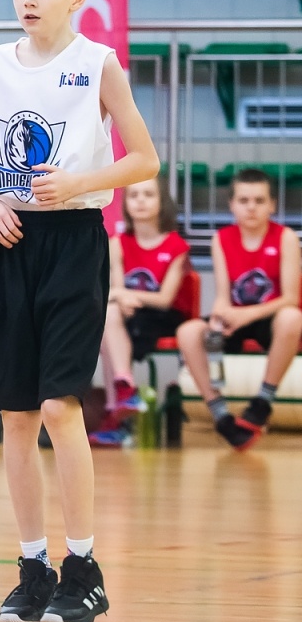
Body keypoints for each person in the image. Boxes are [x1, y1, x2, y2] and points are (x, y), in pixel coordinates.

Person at [0, 0, 158, 622]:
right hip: (9, 239)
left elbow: (145, 160)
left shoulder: (98, 66)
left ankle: (83, 565)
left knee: (61, 405)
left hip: (72, 242)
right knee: (15, 416)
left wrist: (82, 181)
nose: (28, 0)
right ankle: (33, 566)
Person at [175, 169, 301, 450]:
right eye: (244, 200)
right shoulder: (222, 239)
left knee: (293, 318)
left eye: (259, 200)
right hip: (237, 317)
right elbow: (222, 296)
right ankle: (219, 414)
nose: (251, 207)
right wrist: (221, 316)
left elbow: (290, 298)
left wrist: (246, 314)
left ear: (272, 205)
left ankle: (262, 403)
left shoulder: (286, 238)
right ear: (232, 204)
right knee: (187, 332)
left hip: (271, 319)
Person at [90, 176, 189, 446]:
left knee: (107, 321)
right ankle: (123, 388)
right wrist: (120, 297)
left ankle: (116, 411)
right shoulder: (118, 243)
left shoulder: (176, 245)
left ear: (162, 203)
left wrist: (122, 296)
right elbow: (118, 289)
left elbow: (165, 299)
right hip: (127, 313)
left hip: (161, 317)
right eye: (134, 195)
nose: (141, 200)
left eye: (148, 194)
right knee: (108, 316)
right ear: (126, 204)